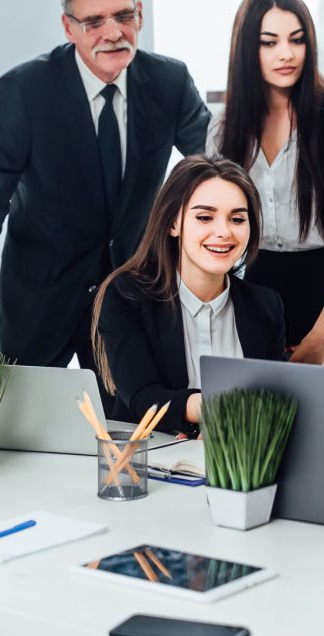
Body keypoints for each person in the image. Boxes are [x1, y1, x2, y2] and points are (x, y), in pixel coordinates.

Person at [0, 0, 211, 393]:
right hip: (41, 295)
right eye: (94, 21)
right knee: (24, 434)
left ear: (140, 14)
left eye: (123, 15)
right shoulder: (25, 92)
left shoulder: (169, 82)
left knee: (135, 434)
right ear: (68, 27)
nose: (113, 32)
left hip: (131, 293)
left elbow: (214, 175)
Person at [207, 0, 324, 369]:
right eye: (270, 42)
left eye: (297, 40)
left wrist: (321, 336)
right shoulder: (223, 128)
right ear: (247, 49)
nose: (287, 54)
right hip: (254, 293)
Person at [92, 156, 286, 437]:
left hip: (240, 471)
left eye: (237, 219)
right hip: (152, 467)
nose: (224, 232)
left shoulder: (266, 306)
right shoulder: (126, 296)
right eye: (204, 217)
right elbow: (143, 399)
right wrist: (224, 407)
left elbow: (275, 403)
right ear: (173, 223)